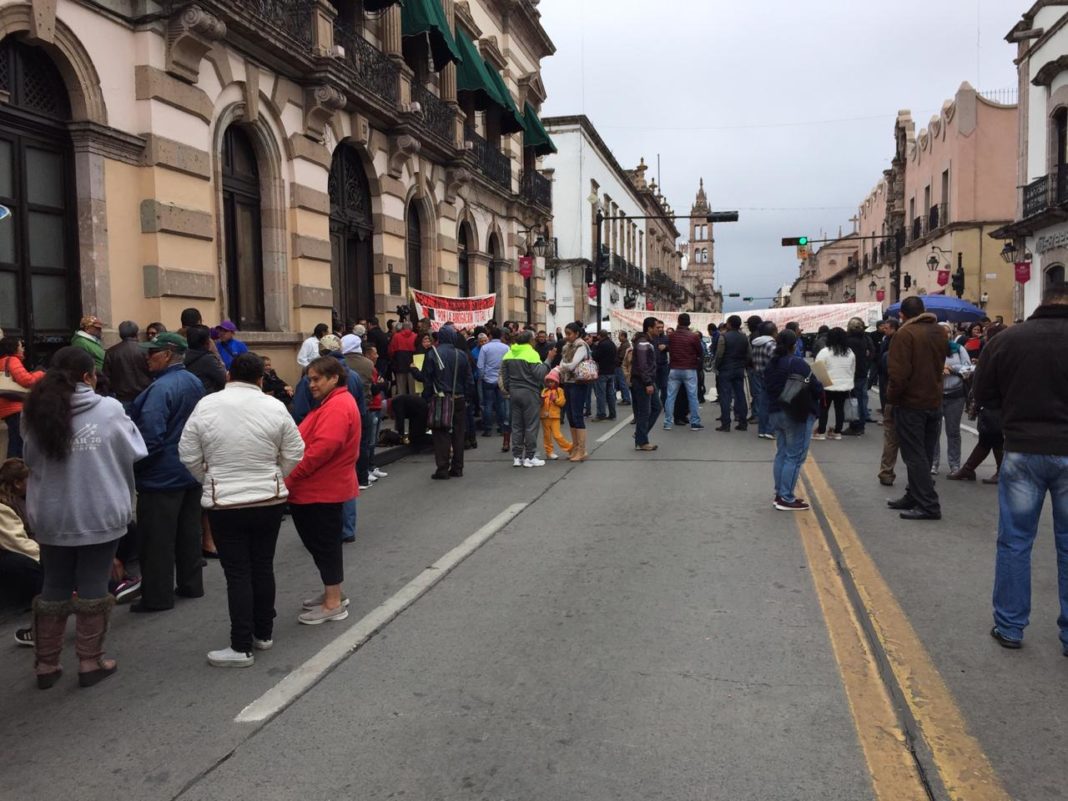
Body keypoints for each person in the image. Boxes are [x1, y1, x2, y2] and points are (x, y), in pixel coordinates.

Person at [23, 347, 147, 688]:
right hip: (97, 508)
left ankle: (46, 665)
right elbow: (135, 450)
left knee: (55, 584)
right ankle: (90, 661)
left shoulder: (33, 409)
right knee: (93, 582)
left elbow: (30, 457)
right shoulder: (108, 408)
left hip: (51, 512)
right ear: (88, 376)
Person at [179, 353, 305, 667]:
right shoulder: (275, 407)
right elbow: (295, 451)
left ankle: (240, 645)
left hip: (225, 502)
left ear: (229, 376)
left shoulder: (207, 406)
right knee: (263, 565)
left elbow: (188, 453)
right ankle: (263, 633)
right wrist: (275, 473)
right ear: (261, 378)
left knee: (237, 573)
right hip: (268, 499)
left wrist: (208, 478)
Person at [974, 281, 1068, 652]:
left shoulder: (1008, 339)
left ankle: (1011, 626)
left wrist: (1012, 414)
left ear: (1042, 301)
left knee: (1015, 540)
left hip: (1023, 449)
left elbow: (983, 393)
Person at [129, 332, 206, 612]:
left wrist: (135, 466)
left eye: (152, 353)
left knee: (157, 541)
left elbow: (150, 436)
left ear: (168, 354)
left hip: (162, 476)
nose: (147, 358)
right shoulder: (193, 382)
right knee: (188, 533)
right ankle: (191, 584)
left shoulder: (160, 389)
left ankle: (158, 597)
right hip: (189, 470)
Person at [285, 356, 359, 624]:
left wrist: (290, 478)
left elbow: (322, 449)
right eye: (309, 379)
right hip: (318, 487)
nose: (311, 384)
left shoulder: (337, 405)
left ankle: (333, 603)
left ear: (333, 378)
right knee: (321, 544)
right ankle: (333, 593)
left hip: (320, 488)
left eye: (316, 379)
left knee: (324, 544)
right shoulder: (332, 402)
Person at [886, 297, 946, 521]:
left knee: (914, 455)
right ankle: (913, 495)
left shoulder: (905, 334)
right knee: (926, 453)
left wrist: (892, 400)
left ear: (902, 314)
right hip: (933, 400)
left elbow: (898, 374)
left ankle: (928, 505)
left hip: (912, 402)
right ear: (924, 311)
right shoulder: (939, 331)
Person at [764, 329, 822, 511]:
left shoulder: (771, 364)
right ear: (794, 345)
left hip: (775, 412)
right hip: (795, 413)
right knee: (795, 456)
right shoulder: (798, 363)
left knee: (782, 453)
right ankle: (786, 497)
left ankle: (779, 492)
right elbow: (816, 388)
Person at [420, 326, 472, 479]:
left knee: (441, 434)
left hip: (441, 398)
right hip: (459, 398)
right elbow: (469, 380)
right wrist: (468, 397)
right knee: (458, 433)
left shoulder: (432, 354)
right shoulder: (461, 355)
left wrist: (427, 397)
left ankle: (442, 468)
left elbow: (427, 379)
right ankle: (458, 467)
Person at [0, 458, 41, 645]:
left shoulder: (21, 500)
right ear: (17, 483)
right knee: (26, 565)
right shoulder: (3, 508)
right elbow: (18, 544)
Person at [502, 330, 554, 467]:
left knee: (517, 426)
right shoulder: (531, 353)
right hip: (530, 392)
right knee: (531, 426)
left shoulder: (509, 353)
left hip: (514, 392)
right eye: (534, 338)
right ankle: (530, 456)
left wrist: (510, 389)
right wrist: (549, 360)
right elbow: (540, 374)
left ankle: (517, 457)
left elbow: (504, 375)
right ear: (530, 340)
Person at [929, 323, 972, 476]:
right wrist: (938, 368)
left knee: (953, 431)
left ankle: (955, 464)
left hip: (955, 395)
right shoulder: (929, 349)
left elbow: (968, 369)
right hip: (935, 394)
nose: (945, 335)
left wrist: (952, 368)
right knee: (934, 431)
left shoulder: (958, 349)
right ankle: (933, 463)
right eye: (941, 332)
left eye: (947, 332)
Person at [0, 336, 44, 457]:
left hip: (6, 406)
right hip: (14, 406)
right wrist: (40, 374)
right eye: (20, 346)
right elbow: (26, 380)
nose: (23, 349)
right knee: (18, 441)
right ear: (13, 348)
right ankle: (14, 470)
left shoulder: (2, 361)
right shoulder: (12, 360)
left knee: (15, 438)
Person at [813, 327, 856, 441]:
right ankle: (837, 432)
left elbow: (818, 368)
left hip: (827, 386)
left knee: (824, 409)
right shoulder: (850, 352)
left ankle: (821, 432)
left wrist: (822, 383)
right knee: (839, 409)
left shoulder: (825, 352)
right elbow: (852, 369)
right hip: (844, 385)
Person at [558, 322, 593, 462]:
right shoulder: (566, 346)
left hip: (579, 382)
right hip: (567, 382)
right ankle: (575, 447)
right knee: (571, 415)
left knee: (577, 414)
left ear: (577, 334)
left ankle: (582, 450)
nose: (567, 337)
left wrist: (563, 367)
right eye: (566, 334)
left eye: (569, 334)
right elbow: (564, 363)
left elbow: (572, 365)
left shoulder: (581, 345)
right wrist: (564, 366)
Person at [663, 313, 704, 431]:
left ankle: (667, 423)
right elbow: (700, 352)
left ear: (678, 322)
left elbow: (668, 349)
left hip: (674, 369)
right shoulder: (693, 336)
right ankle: (695, 423)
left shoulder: (671, 336)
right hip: (689, 369)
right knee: (692, 397)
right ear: (689, 322)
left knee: (670, 397)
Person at [103, 321, 151, 409]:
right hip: (144, 395)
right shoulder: (146, 350)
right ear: (136, 333)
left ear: (120, 334)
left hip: (122, 397)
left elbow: (106, 376)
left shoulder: (111, 352)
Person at [630, 316, 661, 452]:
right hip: (643, 381)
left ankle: (640, 435)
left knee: (656, 407)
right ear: (649, 328)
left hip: (647, 380)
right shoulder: (643, 342)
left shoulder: (647, 341)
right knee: (644, 411)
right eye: (657, 327)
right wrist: (648, 382)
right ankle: (642, 441)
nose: (659, 330)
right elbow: (642, 365)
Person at [715, 315, 750, 431]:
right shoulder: (744, 337)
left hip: (725, 369)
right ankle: (743, 422)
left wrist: (716, 367)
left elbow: (719, 355)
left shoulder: (723, 337)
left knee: (725, 396)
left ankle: (726, 424)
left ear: (729, 324)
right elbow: (749, 354)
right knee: (740, 395)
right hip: (739, 369)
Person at [877, 318, 901, 486]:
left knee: (891, 438)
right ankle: (921, 476)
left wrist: (889, 398)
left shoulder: (890, 352)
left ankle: (886, 472)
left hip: (896, 398)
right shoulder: (934, 339)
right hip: (923, 400)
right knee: (916, 441)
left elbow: (888, 372)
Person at [843, 317, 875, 435]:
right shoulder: (865, 339)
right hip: (862, 372)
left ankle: (855, 425)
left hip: (853, 374)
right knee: (861, 400)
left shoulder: (848, 341)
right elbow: (872, 352)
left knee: (854, 400)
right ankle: (860, 425)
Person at [476, 327, 510, 438]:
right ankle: (502, 427)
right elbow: (508, 364)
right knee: (501, 404)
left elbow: (480, 365)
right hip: (501, 379)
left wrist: (482, 377)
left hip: (488, 379)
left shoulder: (485, 348)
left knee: (488, 404)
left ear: (490, 336)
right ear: (501, 336)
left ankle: (488, 429)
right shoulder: (506, 348)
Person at [750, 321, 778, 439]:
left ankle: (762, 430)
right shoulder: (771, 345)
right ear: (772, 332)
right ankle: (770, 430)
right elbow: (776, 361)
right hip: (771, 378)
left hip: (760, 375)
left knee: (763, 404)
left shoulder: (756, 344)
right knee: (773, 404)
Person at [184, 325, 227, 394]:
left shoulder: (183, 355)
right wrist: (215, 352)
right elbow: (225, 378)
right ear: (207, 342)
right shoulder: (208, 359)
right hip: (206, 398)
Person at [540, 369, 572, 460]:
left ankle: (570, 448)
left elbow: (562, 402)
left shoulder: (559, 390)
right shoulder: (544, 391)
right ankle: (549, 452)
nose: (550, 383)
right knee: (547, 436)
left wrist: (555, 400)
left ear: (556, 382)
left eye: (552, 382)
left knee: (557, 435)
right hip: (544, 416)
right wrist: (541, 401)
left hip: (555, 417)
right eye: (548, 382)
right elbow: (540, 404)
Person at [592, 330, 619, 421]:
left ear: (600, 336)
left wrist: (595, 348)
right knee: (610, 394)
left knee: (601, 394)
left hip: (602, 371)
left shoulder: (601, 344)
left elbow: (595, 356)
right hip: (611, 371)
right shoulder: (611, 343)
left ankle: (601, 414)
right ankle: (612, 414)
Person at [388, 321, 417, 396]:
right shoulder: (415, 336)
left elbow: (391, 351)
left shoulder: (396, 336)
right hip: (412, 366)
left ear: (402, 327)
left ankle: (402, 405)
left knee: (401, 389)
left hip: (400, 365)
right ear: (411, 327)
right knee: (413, 390)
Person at [615, 332, 632, 406]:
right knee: (622, 383)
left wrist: (616, 361)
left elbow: (621, 357)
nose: (618, 338)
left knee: (623, 383)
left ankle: (626, 398)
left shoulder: (625, 345)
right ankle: (625, 398)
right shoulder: (624, 344)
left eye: (619, 336)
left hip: (621, 366)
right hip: (620, 366)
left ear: (623, 336)